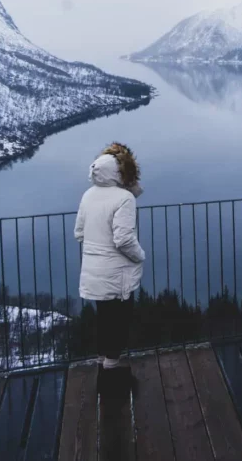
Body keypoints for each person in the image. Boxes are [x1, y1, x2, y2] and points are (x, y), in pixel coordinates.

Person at [75, 143, 146, 392]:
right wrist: (140, 256)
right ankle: (112, 375)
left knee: (105, 319)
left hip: (94, 270)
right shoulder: (124, 199)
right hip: (118, 273)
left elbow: (79, 232)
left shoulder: (88, 194)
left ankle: (105, 365)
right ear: (122, 172)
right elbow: (124, 239)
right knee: (120, 321)